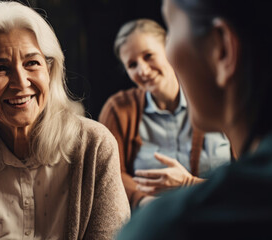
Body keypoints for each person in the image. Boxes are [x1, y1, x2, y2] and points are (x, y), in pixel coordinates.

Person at [117, 0, 272, 239]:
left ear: (222, 49)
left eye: (171, 27)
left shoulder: (168, 227)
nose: (143, 70)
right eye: (132, 64)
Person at [0, 1, 129, 239]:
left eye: (32, 63)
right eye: (0, 68)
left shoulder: (95, 147)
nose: (20, 82)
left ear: (50, 70)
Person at [98, 18, 232, 209]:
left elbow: (250, 177)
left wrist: (189, 184)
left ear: (169, 49)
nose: (143, 70)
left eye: (148, 56)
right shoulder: (118, 109)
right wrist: (144, 201)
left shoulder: (215, 95)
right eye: (132, 65)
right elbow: (108, 174)